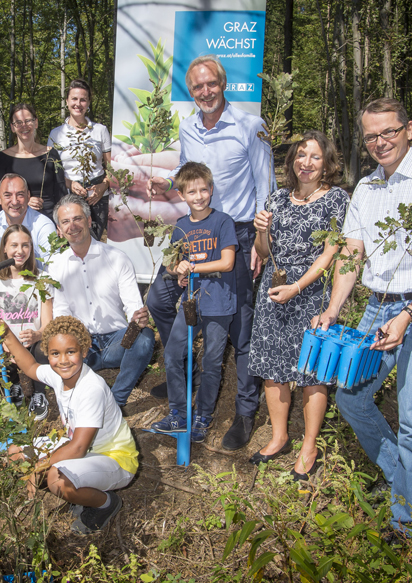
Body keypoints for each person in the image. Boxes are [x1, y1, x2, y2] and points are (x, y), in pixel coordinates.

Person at [311, 98, 412, 539]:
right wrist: (333, 309)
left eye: (389, 132)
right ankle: (404, 478)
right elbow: (352, 254)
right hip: (378, 308)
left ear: (410, 129)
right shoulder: (366, 188)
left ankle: (405, 524)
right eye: (371, 136)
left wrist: (410, 313)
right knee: (351, 397)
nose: (380, 142)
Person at [147, 54, 275, 452]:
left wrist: (259, 240)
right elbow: (190, 169)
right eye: (197, 87)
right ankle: (183, 366)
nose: (205, 91)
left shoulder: (250, 127)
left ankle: (244, 411)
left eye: (211, 84)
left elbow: (265, 186)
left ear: (223, 84)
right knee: (159, 297)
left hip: (235, 231)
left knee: (240, 328)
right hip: (195, 229)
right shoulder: (189, 126)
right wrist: (168, 180)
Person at [247, 131, 350, 480]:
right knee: (273, 368)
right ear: (292, 160)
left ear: (327, 163)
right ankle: (279, 437)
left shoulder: (336, 199)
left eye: (315, 157)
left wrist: (299, 286)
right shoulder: (277, 198)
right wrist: (261, 231)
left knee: (311, 373)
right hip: (273, 293)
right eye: (300, 155)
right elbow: (264, 253)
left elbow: (331, 251)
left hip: (311, 295)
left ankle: (309, 445)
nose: (306, 163)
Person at [2, 316, 138, 534]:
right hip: (81, 450)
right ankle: (79, 491)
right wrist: (6, 333)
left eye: (71, 352)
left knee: (57, 479)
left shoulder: (91, 388)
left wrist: (38, 467)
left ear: (84, 351)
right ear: (48, 354)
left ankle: (105, 504)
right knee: (15, 453)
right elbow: (29, 366)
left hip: (115, 459)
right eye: (55, 354)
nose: (63, 360)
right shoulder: (59, 374)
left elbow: (78, 448)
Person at [151, 163, 238, 445]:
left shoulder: (223, 221)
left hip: (219, 305)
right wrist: (180, 272)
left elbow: (227, 262)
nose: (199, 195)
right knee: (173, 354)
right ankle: (178, 412)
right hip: (192, 303)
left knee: (212, 362)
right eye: (192, 191)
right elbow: (178, 265)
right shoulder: (180, 227)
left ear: (211, 190)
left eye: (203, 189)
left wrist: (194, 268)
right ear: (181, 195)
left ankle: (203, 416)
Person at [49, 195, 154, 407]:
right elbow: (60, 314)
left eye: (78, 219)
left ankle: (115, 401)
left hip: (117, 342)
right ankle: (77, 397)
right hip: (82, 345)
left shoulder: (117, 258)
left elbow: (132, 305)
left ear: (89, 221)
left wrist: (138, 317)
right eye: (65, 222)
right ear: (59, 230)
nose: (73, 226)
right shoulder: (55, 265)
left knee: (144, 338)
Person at [0, 224, 52, 419]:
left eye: (25, 245)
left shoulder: (41, 279)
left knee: (43, 347)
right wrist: (7, 343)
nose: (20, 251)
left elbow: (47, 324)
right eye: (14, 245)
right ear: (4, 248)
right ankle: (14, 386)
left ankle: (39, 394)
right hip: (7, 342)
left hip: (33, 342)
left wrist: (37, 334)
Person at [0, 173, 57, 286]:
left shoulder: (43, 225)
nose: (14, 201)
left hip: (38, 288)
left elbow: (52, 269)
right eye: (8, 195)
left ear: (28, 196)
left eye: (20, 195)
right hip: (4, 289)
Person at [47, 79, 112, 239]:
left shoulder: (100, 130)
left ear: (88, 102)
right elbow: (51, 171)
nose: (78, 103)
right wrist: (70, 184)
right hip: (68, 198)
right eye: (74, 99)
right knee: (71, 245)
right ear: (67, 101)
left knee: (94, 245)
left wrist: (102, 187)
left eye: (83, 99)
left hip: (96, 200)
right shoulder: (55, 134)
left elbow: (111, 167)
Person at [0, 104, 67, 219]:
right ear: (12, 127)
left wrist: (61, 222)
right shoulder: (3, 158)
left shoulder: (51, 155)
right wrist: (24, 201)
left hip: (48, 220)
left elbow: (61, 193)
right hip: (16, 221)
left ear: (36, 123)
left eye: (28, 121)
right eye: (18, 122)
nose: (24, 126)